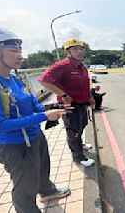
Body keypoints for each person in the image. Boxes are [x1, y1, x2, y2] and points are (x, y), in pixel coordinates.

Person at [0, 25, 71, 213]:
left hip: (34, 135)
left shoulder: (13, 78)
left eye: (20, 50)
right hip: (14, 145)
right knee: (25, 186)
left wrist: (53, 107)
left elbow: (31, 105)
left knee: (41, 169)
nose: (20, 55)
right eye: (14, 50)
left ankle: (47, 191)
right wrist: (43, 116)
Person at [38, 38, 95, 167]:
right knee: (73, 131)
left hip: (82, 103)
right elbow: (43, 80)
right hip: (70, 106)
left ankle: (80, 145)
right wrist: (63, 94)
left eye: (81, 49)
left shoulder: (82, 67)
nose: (80, 52)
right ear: (68, 52)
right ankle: (79, 157)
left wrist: (90, 97)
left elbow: (86, 84)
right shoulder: (62, 66)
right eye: (75, 49)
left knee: (82, 124)